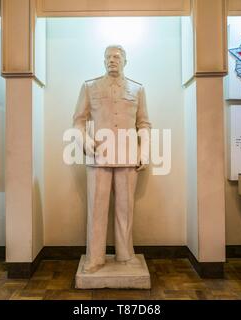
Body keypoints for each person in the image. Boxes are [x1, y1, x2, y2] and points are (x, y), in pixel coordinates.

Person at [73, 45, 151, 273]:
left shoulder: (137, 89)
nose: (112, 60)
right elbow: (77, 121)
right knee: (96, 208)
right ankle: (95, 257)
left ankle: (125, 255)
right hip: (99, 155)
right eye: (107, 57)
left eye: (116, 57)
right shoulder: (90, 87)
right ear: (103, 61)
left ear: (125, 60)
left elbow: (144, 123)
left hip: (128, 157)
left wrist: (144, 151)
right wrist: (83, 140)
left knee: (125, 209)